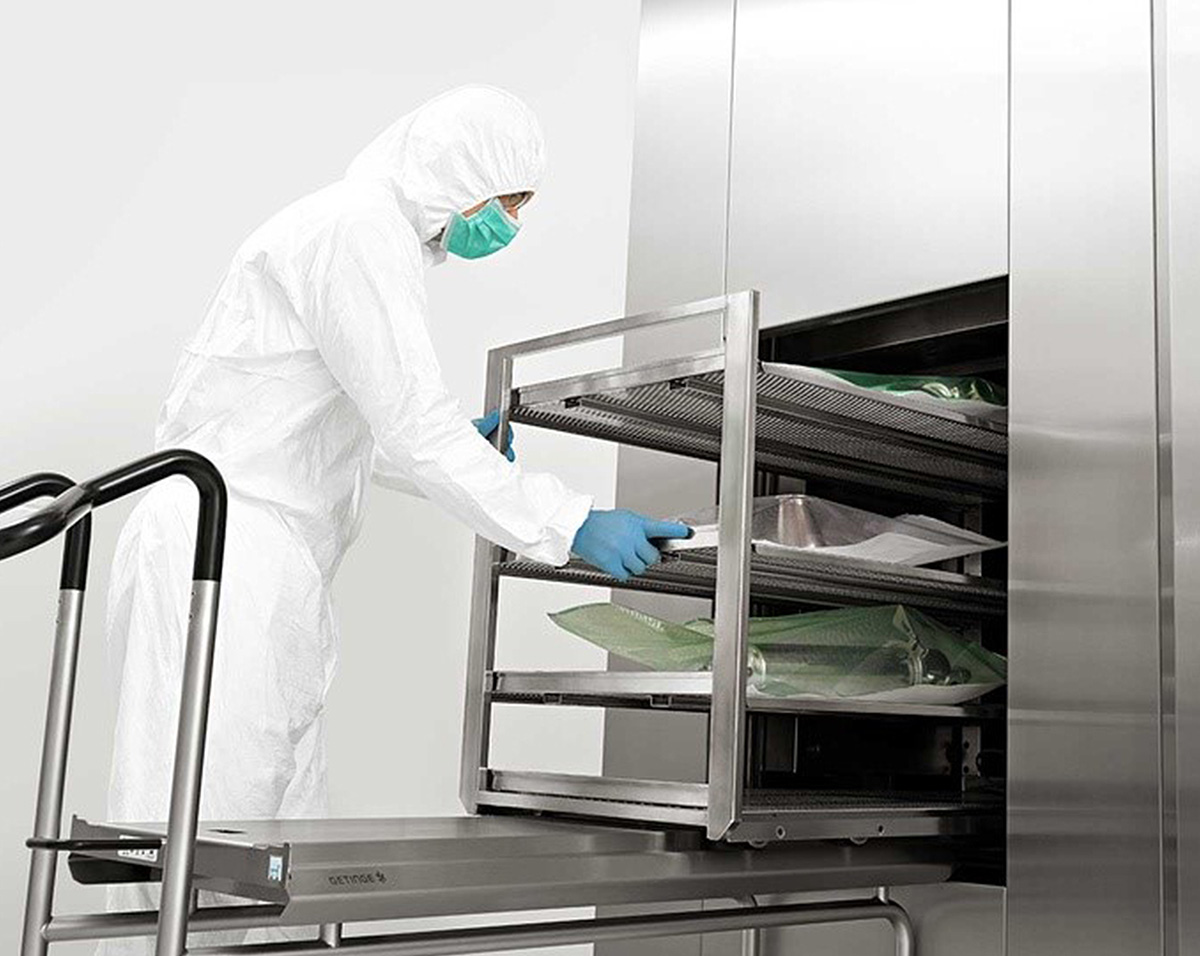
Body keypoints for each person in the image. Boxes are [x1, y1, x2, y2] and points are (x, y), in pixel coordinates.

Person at [99, 85, 689, 951]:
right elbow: (411, 430)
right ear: (461, 172)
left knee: (271, 842)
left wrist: (463, 448)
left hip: (263, 558)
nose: (513, 227)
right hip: (224, 551)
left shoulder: (366, 238)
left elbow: (332, 432)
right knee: (206, 843)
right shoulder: (356, 230)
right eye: (510, 201)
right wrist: (572, 523)